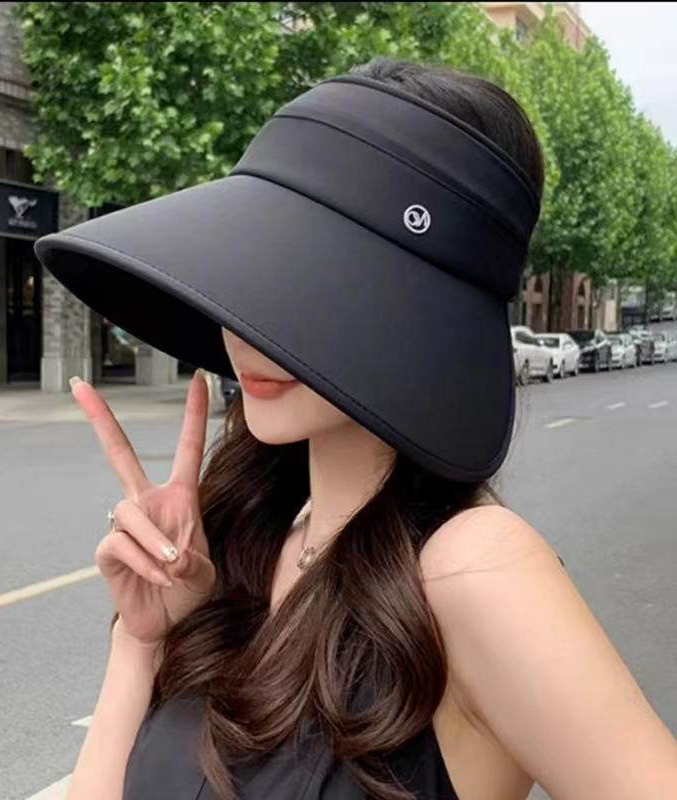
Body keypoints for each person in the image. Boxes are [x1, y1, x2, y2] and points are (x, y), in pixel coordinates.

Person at [35, 60, 677, 800]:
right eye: (247, 274)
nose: (248, 330)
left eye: (309, 285)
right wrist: (142, 641)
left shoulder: (470, 569)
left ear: (421, 311)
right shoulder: (246, 546)